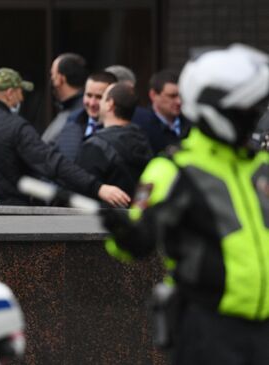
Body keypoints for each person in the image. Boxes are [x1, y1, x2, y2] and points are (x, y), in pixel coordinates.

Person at [101, 44, 269, 364]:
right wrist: (127, 234)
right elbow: (136, 244)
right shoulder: (174, 171)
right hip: (209, 328)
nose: (252, 119)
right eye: (243, 112)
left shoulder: (260, 165)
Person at [0, 67, 130, 207]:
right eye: (20, 92)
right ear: (9, 93)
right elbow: (52, 162)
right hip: (12, 214)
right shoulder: (16, 127)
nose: (22, 98)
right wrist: (97, 187)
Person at [76, 82, 152, 197]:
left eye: (102, 98)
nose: (98, 103)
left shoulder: (95, 146)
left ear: (110, 104)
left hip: (102, 213)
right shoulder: (145, 141)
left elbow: (82, 191)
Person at [55, 71, 117, 161]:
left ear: (112, 100)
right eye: (89, 95)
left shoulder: (119, 133)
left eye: (99, 97)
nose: (92, 103)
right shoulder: (72, 121)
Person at [134, 70, 190, 154]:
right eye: (172, 96)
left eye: (180, 96)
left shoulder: (192, 125)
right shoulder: (140, 127)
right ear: (153, 95)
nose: (179, 101)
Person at [42, 53, 87, 144]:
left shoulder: (78, 115)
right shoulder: (74, 109)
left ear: (60, 79)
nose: (51, 80)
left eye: (52, 75)